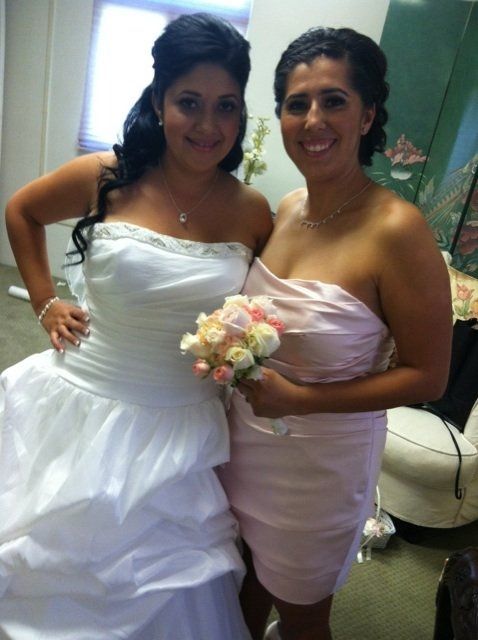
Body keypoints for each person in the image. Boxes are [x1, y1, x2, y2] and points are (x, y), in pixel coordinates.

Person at [0, 12, 272, 640]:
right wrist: (44, 302)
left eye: (226, 106)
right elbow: (22, 210)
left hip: (181, 424)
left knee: (175, 582)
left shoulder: (253, 211)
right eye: (189, 102)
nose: (208, 126)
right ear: (158, 101)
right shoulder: (107, 176)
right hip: (83, 401)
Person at [218, 26, 452, 640]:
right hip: (241, 447)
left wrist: (299, 399)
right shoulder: (288, 207)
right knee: (236, 584)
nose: (313, 120)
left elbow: (428, 376)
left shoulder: (397, 230)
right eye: (297, 104)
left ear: (367, 114)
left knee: (302, 618)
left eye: (334, 101)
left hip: (319, 471)